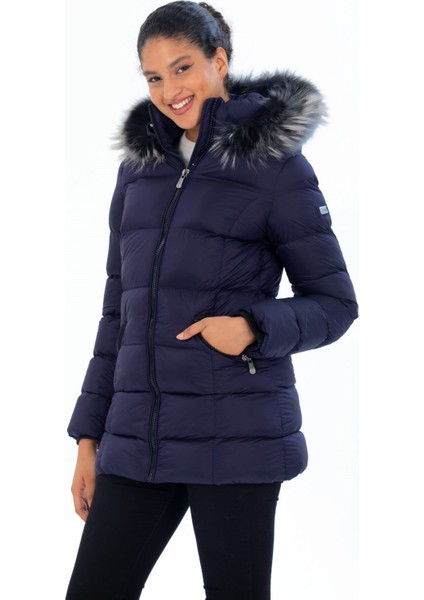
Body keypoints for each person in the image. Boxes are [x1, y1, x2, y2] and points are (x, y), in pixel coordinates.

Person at [65, 1, 358, 598]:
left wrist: (253, 325)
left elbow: (334, 302)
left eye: (183, 68)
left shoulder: (275, 167)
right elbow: (118, 312)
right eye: (154, 77)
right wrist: (89, 438)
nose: (170, 90)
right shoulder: (139, 172)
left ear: (218, 61)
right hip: (139, 441)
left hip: (236, 437)